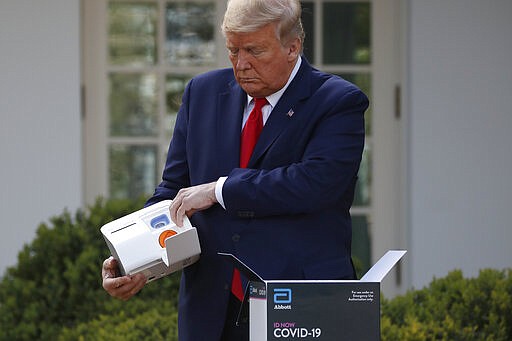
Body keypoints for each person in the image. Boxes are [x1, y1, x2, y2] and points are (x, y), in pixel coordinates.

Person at [102, 0, 368, 340]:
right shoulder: (202, 93)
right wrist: (135, 258)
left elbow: (315, 183)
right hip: (211, 310)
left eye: (254, 51)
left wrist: (218, 190)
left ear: (292, 47)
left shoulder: (337, 101)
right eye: (232, 51)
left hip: (302, 307)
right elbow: (174, 191)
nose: (241, 64)